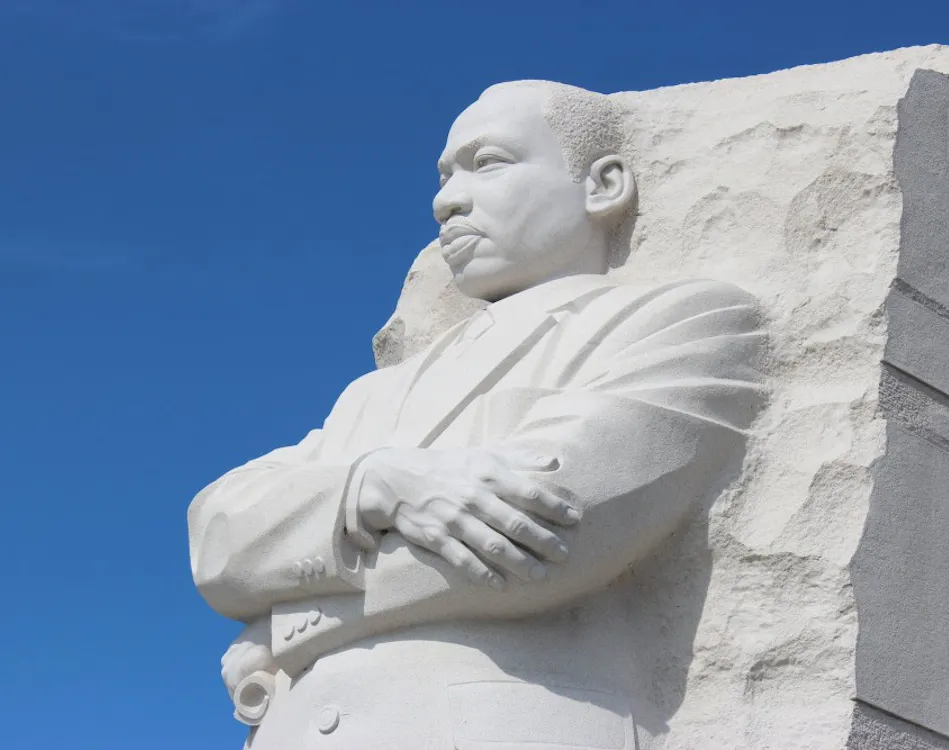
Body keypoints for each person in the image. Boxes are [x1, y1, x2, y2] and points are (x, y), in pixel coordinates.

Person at [188, 80, 768, 749]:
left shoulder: (681, 321)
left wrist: (280, 626)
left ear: (603, 185)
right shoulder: (370, 397)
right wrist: (370, 484)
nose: (446, 199)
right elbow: (218, 534)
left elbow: (542, 533)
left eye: (487, 163)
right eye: (443, 175)